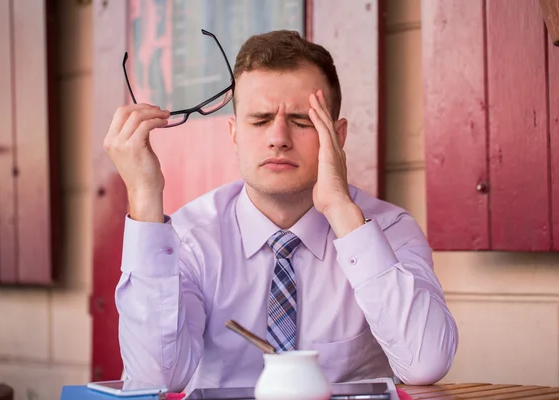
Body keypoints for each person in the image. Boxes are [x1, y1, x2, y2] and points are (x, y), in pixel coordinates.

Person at [104, 30, 458, 393]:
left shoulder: (388, 229)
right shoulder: (190, 238)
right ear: (235, 134)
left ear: (337, 136)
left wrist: (342, 212)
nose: (278, 137)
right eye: (259, 120)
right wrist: (145, 197)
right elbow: (155, 380)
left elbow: (425, 362)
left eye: (302, 121)